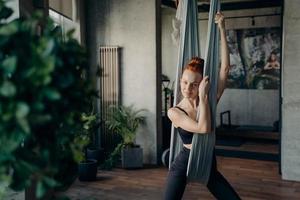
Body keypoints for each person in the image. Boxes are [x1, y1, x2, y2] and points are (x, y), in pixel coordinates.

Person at [163, 12, 241, 200]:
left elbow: (225, 69)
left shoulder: (208, 99)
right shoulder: (174, 112)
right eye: (183, 82)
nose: (187, 88)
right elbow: (203, 128)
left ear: (202, 83)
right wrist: (204, 96)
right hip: (183, 163)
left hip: (207, 161)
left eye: (194, 84)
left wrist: (222, 28)